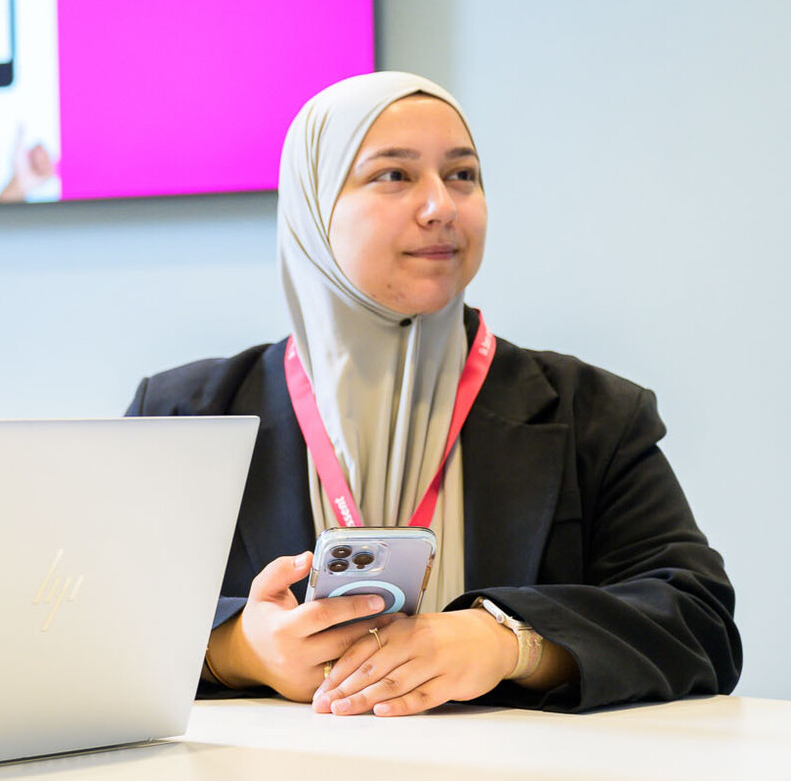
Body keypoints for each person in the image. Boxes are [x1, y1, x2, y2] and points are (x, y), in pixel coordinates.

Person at [127, 71, 737, 715]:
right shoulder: (184, 416)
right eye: (394, 175)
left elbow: (701, 623)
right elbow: (84, 614)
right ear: (313, 206)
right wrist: (234, 649)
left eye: (462, 175)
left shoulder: (594, 413)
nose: (441, 205)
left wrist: (514, 642)